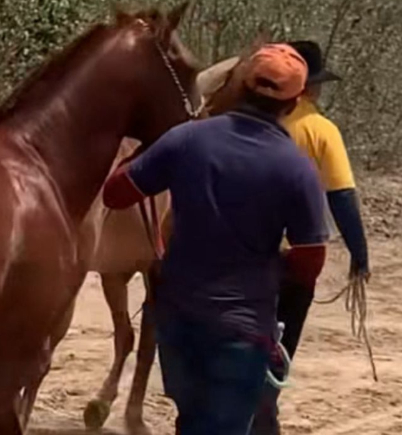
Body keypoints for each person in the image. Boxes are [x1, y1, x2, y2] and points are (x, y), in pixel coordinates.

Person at [102, 44, 327, 435]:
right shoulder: (297, 169)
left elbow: (116, 194)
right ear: (294, 104)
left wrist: (150, 147)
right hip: (241, 330)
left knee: (190, 420)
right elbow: (310, 262)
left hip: (178, 323)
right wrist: (269, 269)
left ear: (240, 87)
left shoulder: (186, 139)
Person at [251, 40, 371, 435]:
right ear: (309, 87)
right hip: (293, 257)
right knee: (280, 340)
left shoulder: (237, 121)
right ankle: (262, 415)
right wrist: (359, 253)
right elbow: (342, 197)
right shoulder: (321, 130)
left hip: (234, 252)